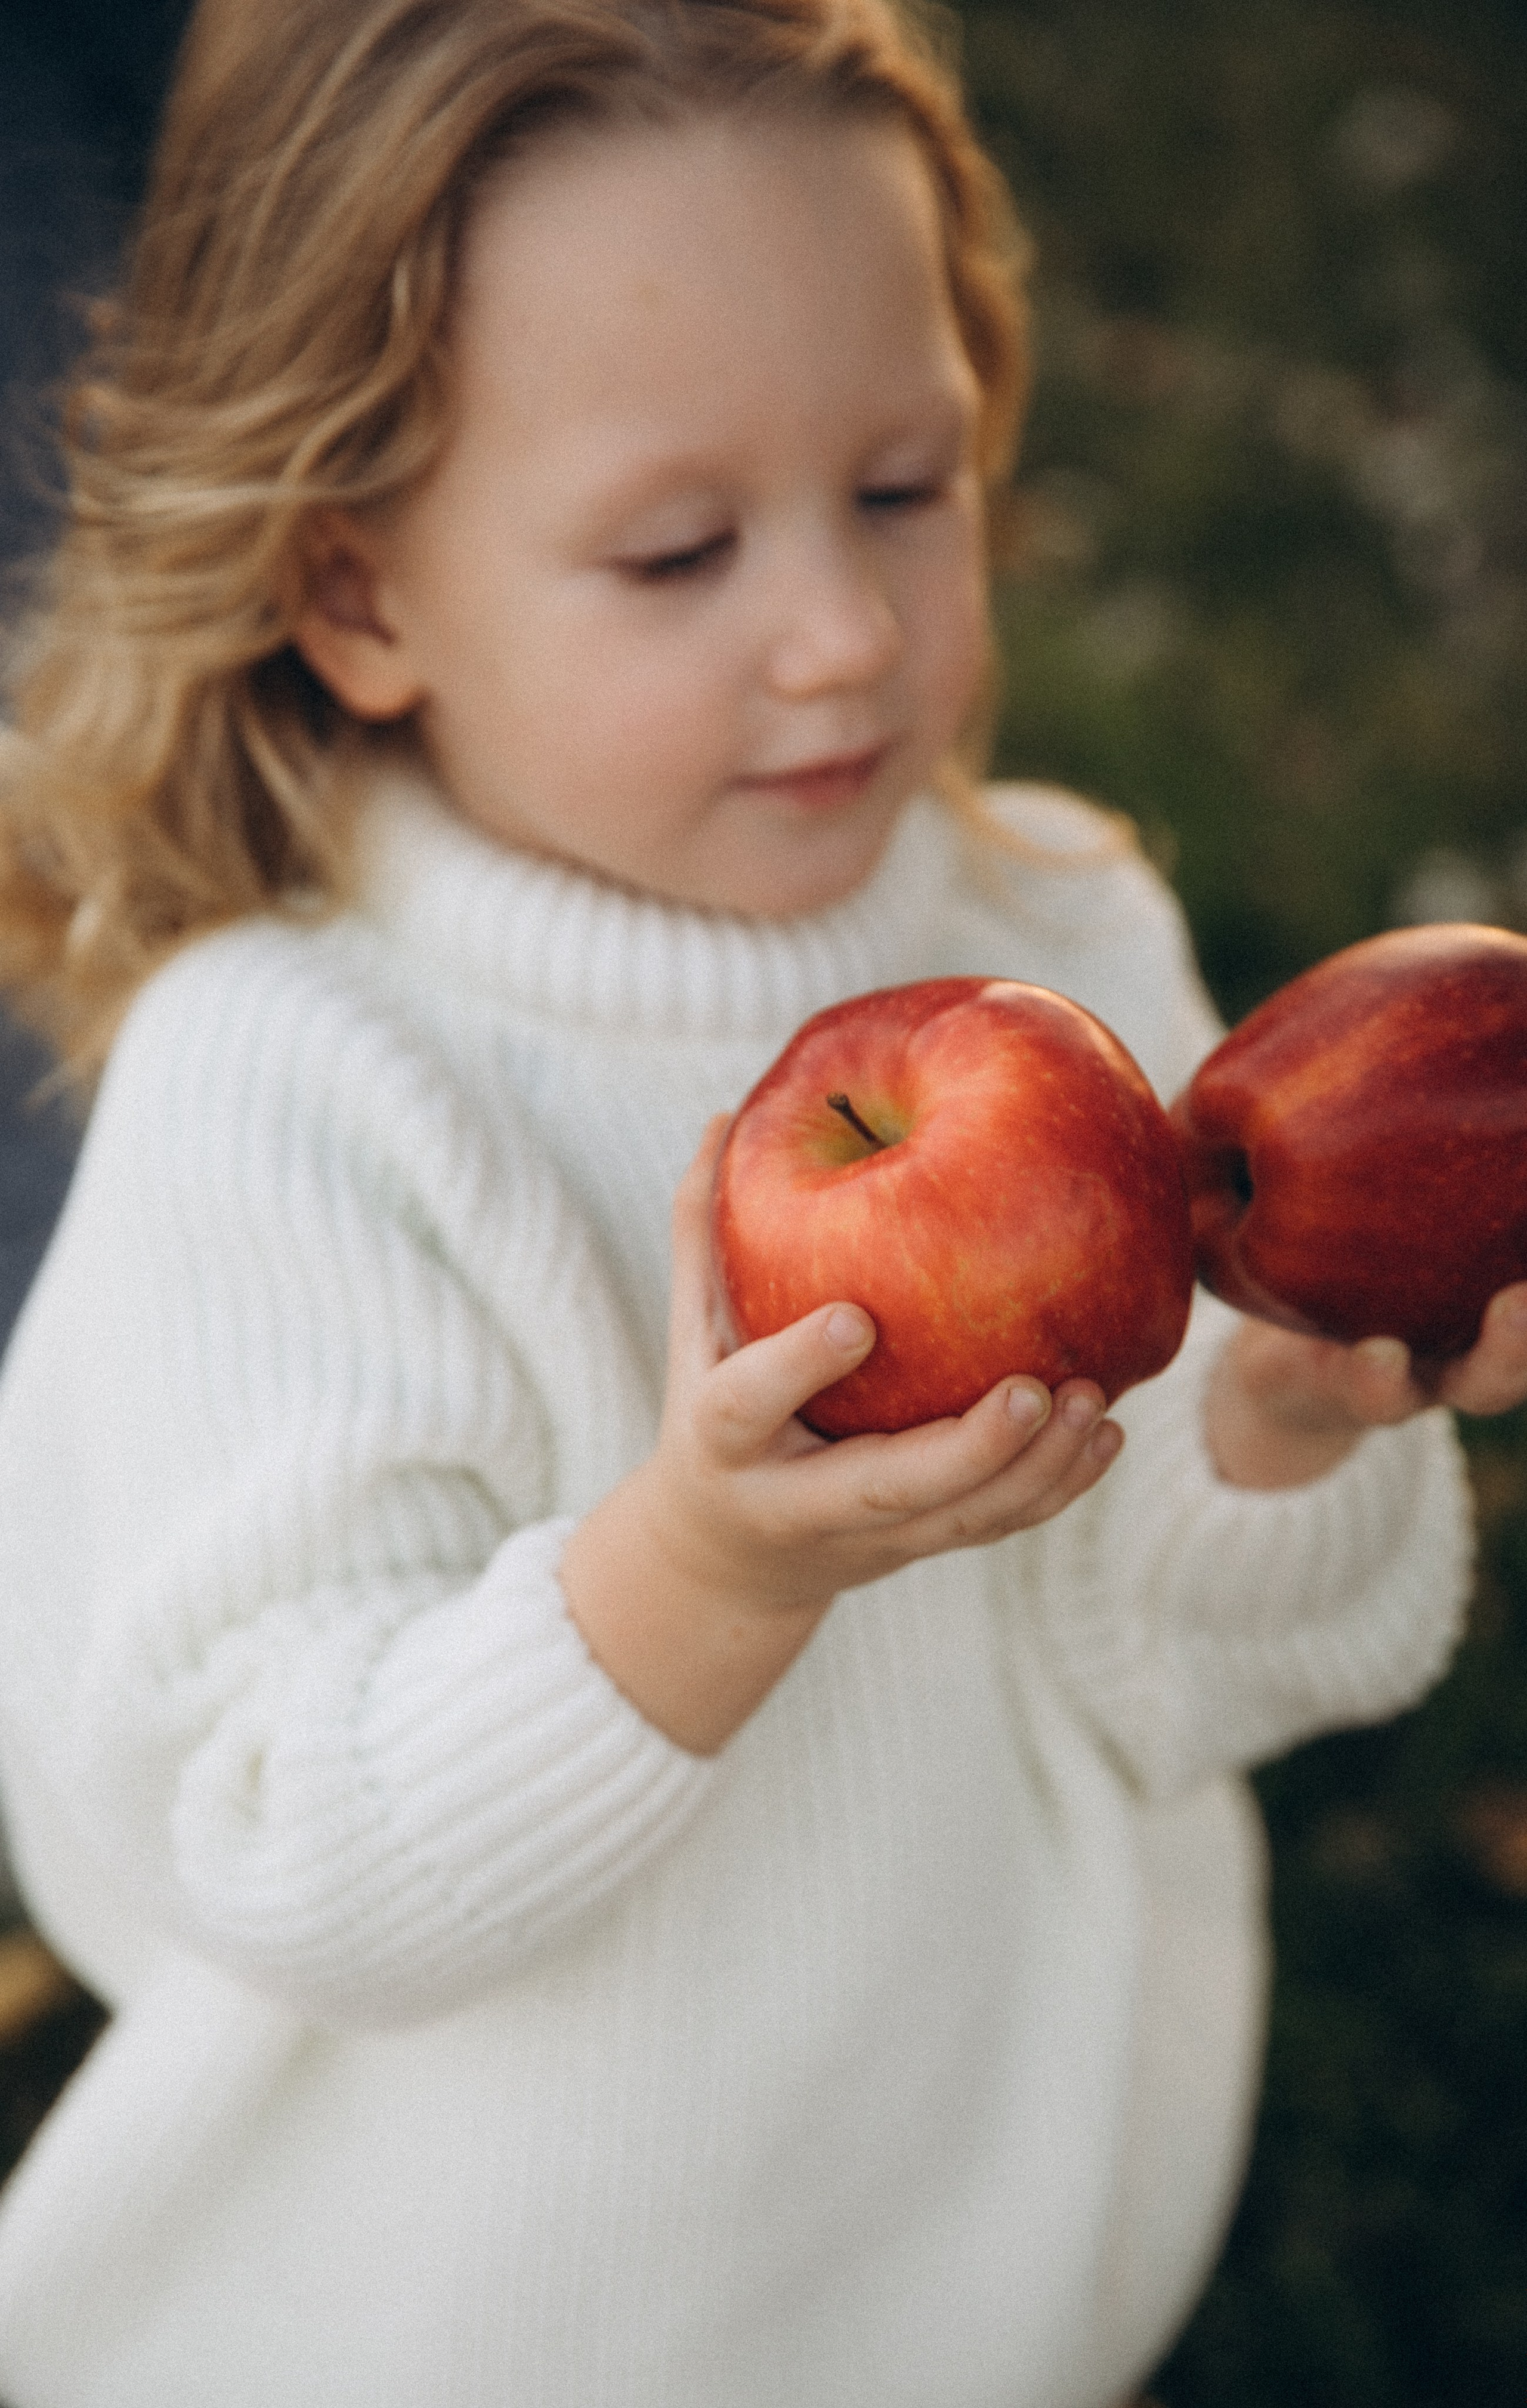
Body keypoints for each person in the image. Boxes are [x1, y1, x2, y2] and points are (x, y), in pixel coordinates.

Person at [0, 1, 1520, 2400]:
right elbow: (261, 1841)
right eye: (680, 544)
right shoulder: (299, 1094)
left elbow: (1164, 1679)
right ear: (356, 592)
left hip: (957, 2280)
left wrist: (1294, 1424)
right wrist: (696, 1575)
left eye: (901, 489)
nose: (838, 633)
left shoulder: (1061, 953)